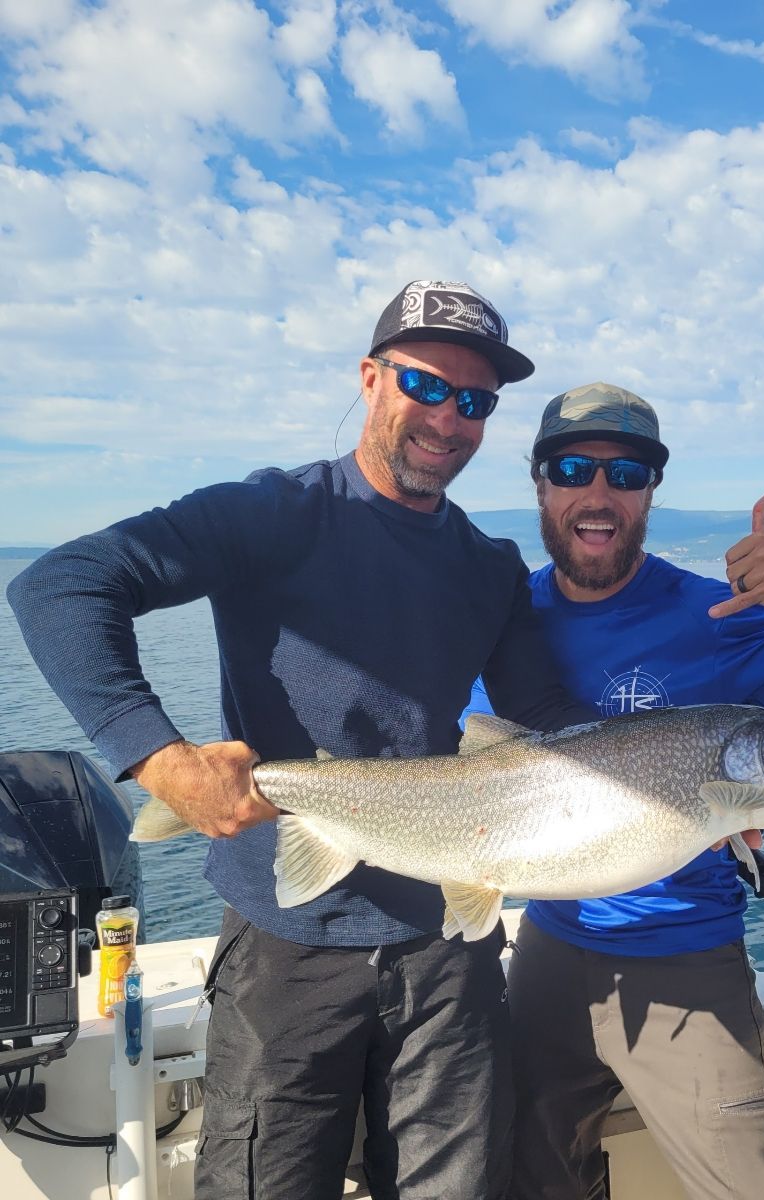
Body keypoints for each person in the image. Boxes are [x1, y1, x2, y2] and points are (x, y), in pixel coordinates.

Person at [7, 280, 598, 1200]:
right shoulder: (272, 514)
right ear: (370, 377)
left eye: (476, 402)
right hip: (285, 937)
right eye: (427, 386)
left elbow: (545, 722)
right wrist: (163, 760)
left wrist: (699, 782)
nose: (451, 419)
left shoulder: (489, 567)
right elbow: (60, 589)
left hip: (446, 937)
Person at [466, 380, 764, 1200]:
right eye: (573, 468)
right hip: (550, 944)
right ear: (541, 483)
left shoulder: (717, 612)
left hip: (685, 951)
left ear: (652, 491)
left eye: (627, 473)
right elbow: (467, 757)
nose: (599, 492)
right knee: (526, 1167)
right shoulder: (503, 615)